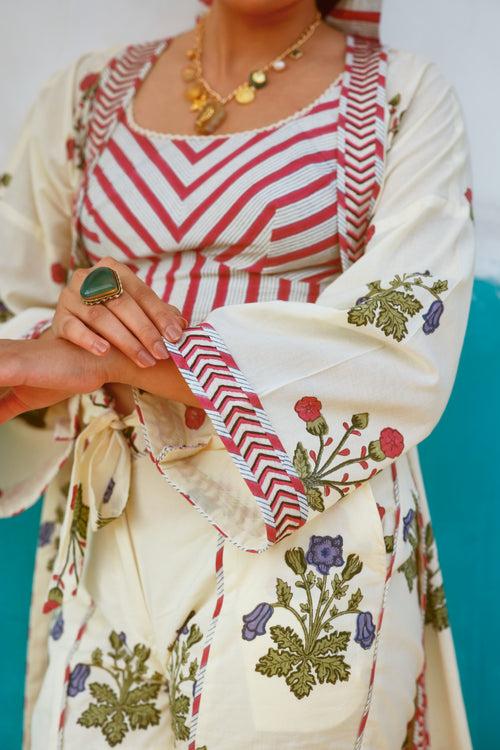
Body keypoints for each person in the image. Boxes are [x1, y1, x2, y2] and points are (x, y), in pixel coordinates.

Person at [0, 0, 475, 747]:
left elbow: (400, 342)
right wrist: (49, 343)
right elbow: (18, 315)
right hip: (110, 525)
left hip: (310, 539)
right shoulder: (85, 97)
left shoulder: (399, 96)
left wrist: (113, 355)